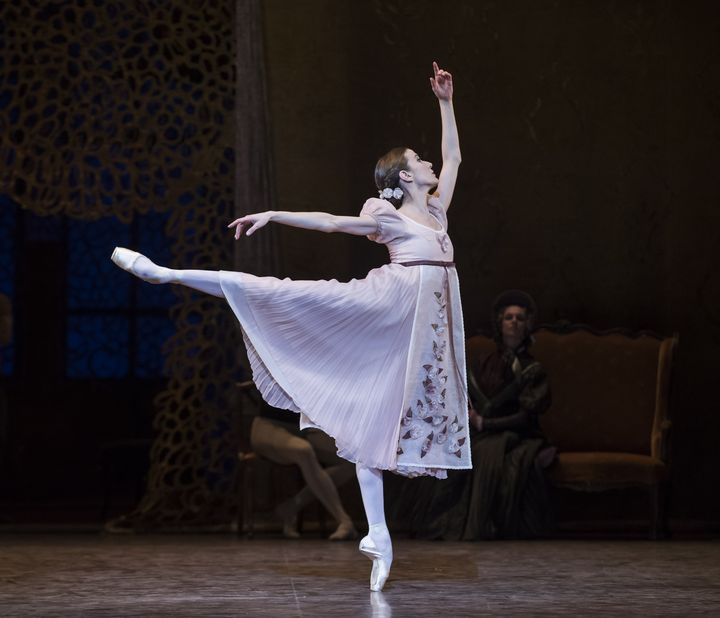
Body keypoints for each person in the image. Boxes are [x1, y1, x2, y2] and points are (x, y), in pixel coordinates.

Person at [110, 61, 469, 591]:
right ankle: (168, 275)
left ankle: (378, 536)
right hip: (382, 306)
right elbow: (329, 221)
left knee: (372, 426)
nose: (430, 162)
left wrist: (445, 102)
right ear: (403, 177)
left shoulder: (436, 213)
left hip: (415, 332)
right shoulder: (388, 216)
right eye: (420, 160)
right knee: (279, 291)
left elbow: (456, 155)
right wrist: (274, 215)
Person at [399, 290, 555, 540]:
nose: (514, 322)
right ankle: (446, 525)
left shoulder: (532, 368)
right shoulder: (484, 362)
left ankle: (484, 525)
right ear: (500, 323)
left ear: (527, 325)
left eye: (520, 318)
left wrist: (486, 422)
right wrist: (470, 417)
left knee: (487, 455)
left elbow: (527, 416)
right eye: (508, 317)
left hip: (517, 434)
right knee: (451, 450)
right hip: (481, 432)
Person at [249, 400, 358, 540]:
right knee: (303, 450)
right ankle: (345, 521)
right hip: (268, 425)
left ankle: (291, 507)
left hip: (302, 429)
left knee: (353, 459)